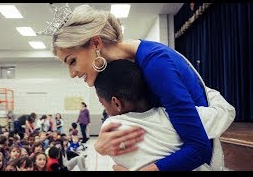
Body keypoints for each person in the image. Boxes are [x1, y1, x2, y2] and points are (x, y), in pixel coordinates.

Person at [45, 4, 235, 170]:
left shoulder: (156, 64)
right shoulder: (129, 66)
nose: (72, 73)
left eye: (72, 61)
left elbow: (199, 148)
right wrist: (100, 145)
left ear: (95, 43)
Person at [94, 59, 235, 170]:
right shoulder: (177, 117)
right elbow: (227, 111)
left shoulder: (110, 128)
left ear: (116, 103)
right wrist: (204, 89)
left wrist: (97, 147)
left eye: (103, 104)